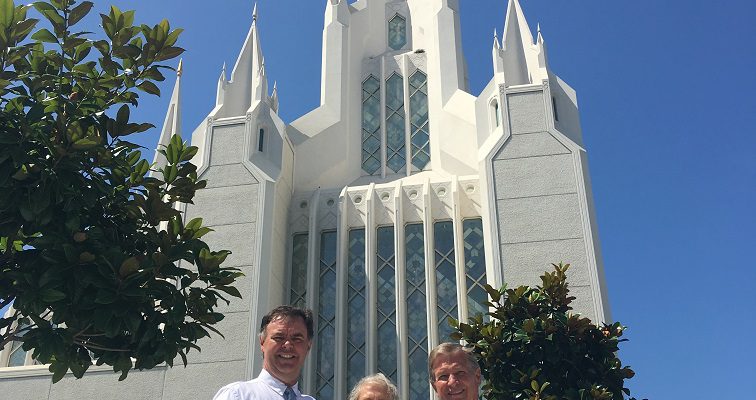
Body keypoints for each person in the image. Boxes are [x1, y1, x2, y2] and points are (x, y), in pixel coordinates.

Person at [213, 305, 315, 400]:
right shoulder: (237, 395)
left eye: (297, 338)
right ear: (262, 342)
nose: (288, 344)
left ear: (309, 345)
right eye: (279, 337)